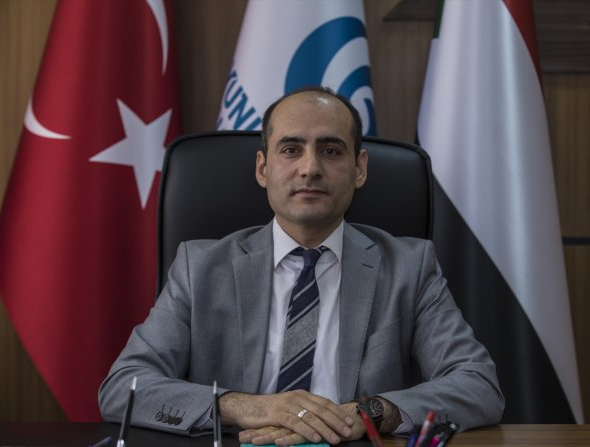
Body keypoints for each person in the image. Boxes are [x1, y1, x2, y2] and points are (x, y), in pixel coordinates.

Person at [98, 86, 504, 445]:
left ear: (360, 168)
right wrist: (248, 407)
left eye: (331, 150)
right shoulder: (200, 267)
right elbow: (124, 387)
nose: (310, 168)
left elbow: (479, 385)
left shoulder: (409, 268)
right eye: (291, 149)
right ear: (263, 168)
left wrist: (369, 413)